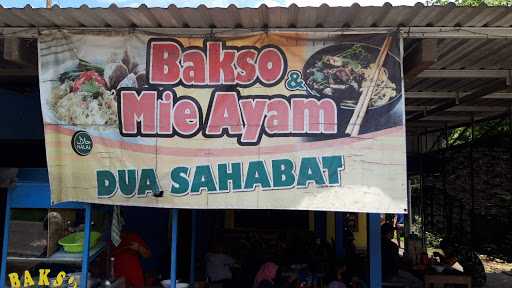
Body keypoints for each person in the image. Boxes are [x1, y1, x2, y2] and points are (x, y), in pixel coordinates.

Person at [381, 223, 422, 288]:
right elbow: (397, 263)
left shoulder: (377, 243)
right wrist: (407, 263)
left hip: (382, 274)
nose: (394, 233)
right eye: (392, 232)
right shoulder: (392, 246)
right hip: (391, 275)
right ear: (388, 232)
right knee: (417, 282)